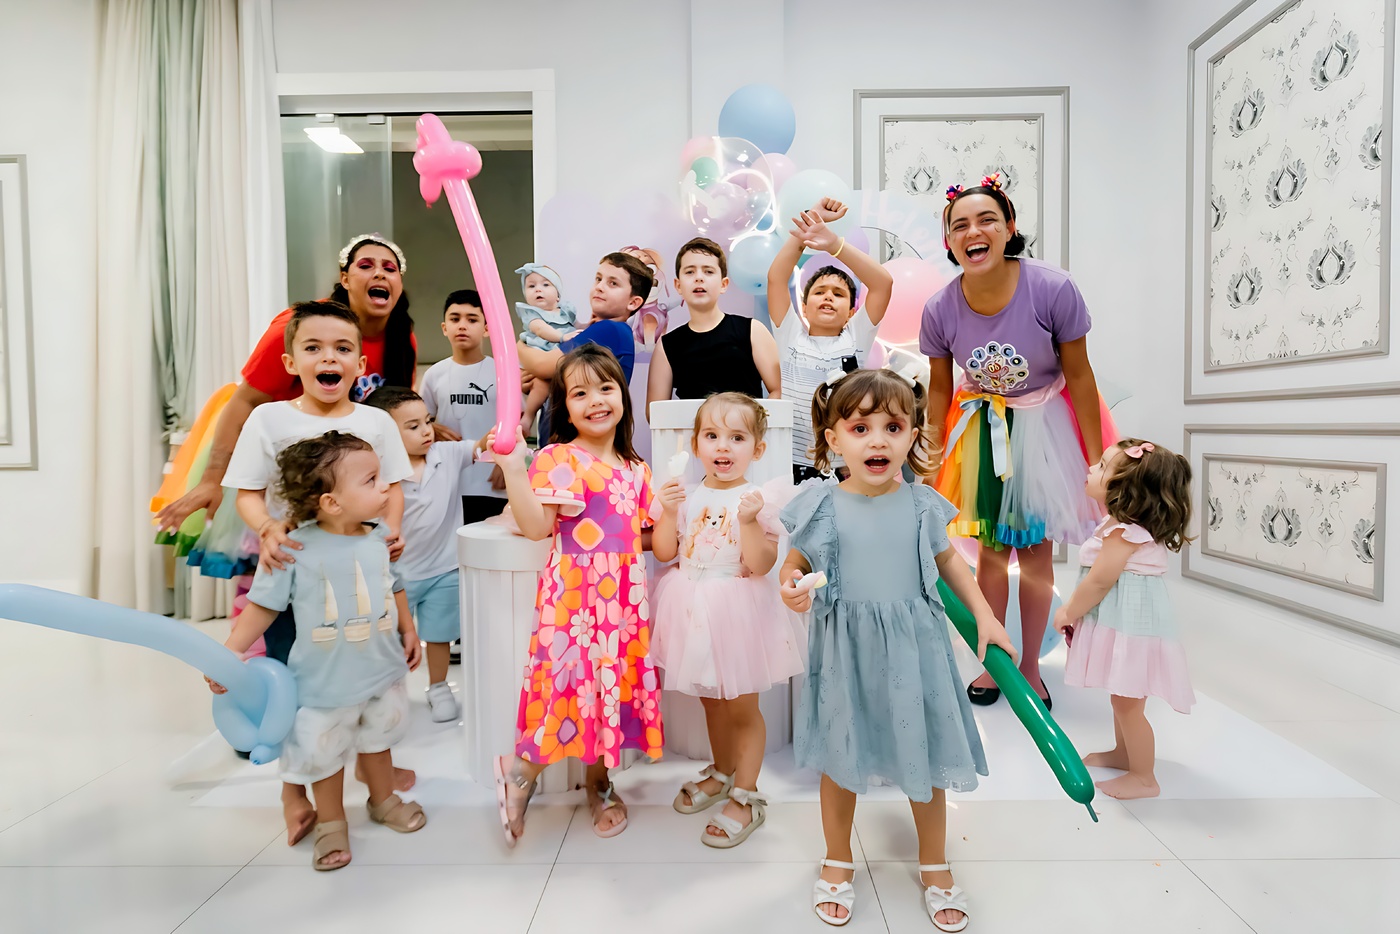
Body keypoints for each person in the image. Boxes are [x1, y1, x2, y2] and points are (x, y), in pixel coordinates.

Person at [155, 235, 419, 845]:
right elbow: (248, 492)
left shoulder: (374, 422)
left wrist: (393, 529)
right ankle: (303, 796)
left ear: (360, 364)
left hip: (363, 573)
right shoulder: (269, 419)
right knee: (300, 683)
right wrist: (268, 528)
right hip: (296, 563)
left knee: (370, 681)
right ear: (291, 360)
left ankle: (376, 784)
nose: (330, 357)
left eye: (344, 348)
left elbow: (395, 487)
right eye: (314, 348)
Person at [778, 367, 1015, 931]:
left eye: (893, 427)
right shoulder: (820, 504)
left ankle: (934, 863)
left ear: (912, 435)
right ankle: (838, 858)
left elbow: (950, 563)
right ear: (834, 440)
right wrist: (790, 586)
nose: (877, 441)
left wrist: (985, 615)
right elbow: (796, 563)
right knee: (842, 756)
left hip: (915, 649)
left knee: (925, 755)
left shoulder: (921, 504)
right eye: (860, 428)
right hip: (846, 651)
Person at [921, 174, 1116, 712]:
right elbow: (938, 388)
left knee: (1033, 554)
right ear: (949, 242)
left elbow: (1080, 376)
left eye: (987, 220)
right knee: (989, 554)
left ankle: (1030, 666)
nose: (973, 232)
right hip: (982, 430)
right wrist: (930, 458)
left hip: (1042, 425)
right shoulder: (940, 308)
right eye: (960, 225)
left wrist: (1096, 459)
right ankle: (996, 661)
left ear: (1009, 228)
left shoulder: (1052, 289)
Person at [207, 432, 425, 871]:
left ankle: (383, 800)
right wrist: (229, 653)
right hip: (324, 684)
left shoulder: (379, 536)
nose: (385, 486)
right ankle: (331, 822)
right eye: (371, 480)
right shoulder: (294, 549)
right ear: (331, 502)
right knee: (324, 753)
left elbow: (394, 584)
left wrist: (408, 628)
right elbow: (263, 606)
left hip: (381, 671)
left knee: (378, 741)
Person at [490, 345, 664, 846]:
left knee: (610, 686)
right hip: (572, 597)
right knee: (565, 685)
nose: (595, 401)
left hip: (625, 599)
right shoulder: (557, 458)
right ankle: (520, 773)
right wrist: (515, 469)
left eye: (605, 388)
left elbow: (642, 534)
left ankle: (600, 783)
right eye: (580, 393)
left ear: (622, 397)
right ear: (564, 407)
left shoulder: (637, 467)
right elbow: (536, 527)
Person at [650, 393, 804, 848]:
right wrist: (668, 512)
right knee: (710, 700)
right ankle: (722, 770)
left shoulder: (759, 500)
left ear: (757, 448)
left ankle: (746, 793)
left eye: (737, 437)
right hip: (690, 606)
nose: (723, 446)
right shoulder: (686, 495)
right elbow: (665, 552)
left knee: (741, 707)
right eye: (712, 436)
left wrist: (751, 521)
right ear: (696, 444)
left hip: (736, 613)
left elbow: (760, 565)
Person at [1054, 438, 1196, 800]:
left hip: (1132, 631)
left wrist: (1069, 611)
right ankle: (1124, 754)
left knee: (1128, 704)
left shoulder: (1123, 534)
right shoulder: (1117, 526)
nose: (1091, 468)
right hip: (1123, 625)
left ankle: (1144, 777)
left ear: (1125, 488)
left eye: (1102, 466)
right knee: (1122, 696)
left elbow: (1099, 582)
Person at [365, 386, 490, 722]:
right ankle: (388, 690)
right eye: (413, 426)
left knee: (439, 635)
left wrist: (500, 433)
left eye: (428, 421)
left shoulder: (446, 454)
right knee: (389, 637)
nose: (426, 431)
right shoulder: (374, 473)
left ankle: (438, 686)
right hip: (393, 575)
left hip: (443, 569)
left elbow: (480, 447)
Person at [767, 199, 893, 484]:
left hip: (846, 468)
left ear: (851, 312)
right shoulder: (789, 336)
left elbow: (883, 283)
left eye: (838, 294)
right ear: (804, 306)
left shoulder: (856, 338)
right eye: (819, 291)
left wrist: (834, 244)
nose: (827, 296)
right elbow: (776, 278)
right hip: (793, 466)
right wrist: (809, 225)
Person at [517, 251, 651, 441]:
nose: (600, 287)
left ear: (633, 302)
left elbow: (541, 365)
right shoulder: (601, 330)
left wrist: (519, 345)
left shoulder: (610, 329)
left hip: (576, 445)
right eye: (598, 279)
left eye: (613, 283)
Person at [646, 237, 781, 416]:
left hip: (747, 431)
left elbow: (778, 390)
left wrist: (754, 425)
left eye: (708, 271)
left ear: (723, 284)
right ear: (678, 285)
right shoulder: (667, 346)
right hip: (693, 433)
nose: (699, 278)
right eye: (690, 272)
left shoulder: (752, 330)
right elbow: (654, 413)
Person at [418, 289, 508, 525]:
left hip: (492, 483)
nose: (462, 326)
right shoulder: (433, 374)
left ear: (486, 328)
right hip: (448, 483)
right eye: (455, 319)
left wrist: (508, 465)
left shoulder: (503, 372)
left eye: (472, 319)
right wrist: (433, 428)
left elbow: (518, 423)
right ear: (444, 327)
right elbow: (417, 423)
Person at [514, 263, 580, 433]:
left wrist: (589, 325)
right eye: (531, 286)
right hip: (540, 350)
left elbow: (576, 327)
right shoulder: (531, 313)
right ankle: (528, 417)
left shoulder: (565, 311)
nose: (538, 289)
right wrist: (561, 337)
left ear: (557, 295)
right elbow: (540, 329)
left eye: (545, 284)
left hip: (556, 358)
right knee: (541, 384)